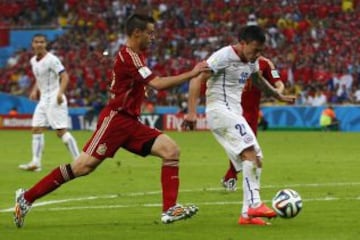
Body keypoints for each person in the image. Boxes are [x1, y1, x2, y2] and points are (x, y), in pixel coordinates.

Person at [13, 14, 209, 228]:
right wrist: (193, 73)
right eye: (150, 32)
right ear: (137, 33)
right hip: (116, 120)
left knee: (171, 150)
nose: (153, 37)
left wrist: (138, 90)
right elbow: (159, 84)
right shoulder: (129, 55)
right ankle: (26, 198)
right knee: (82, 167)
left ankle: (169, 210)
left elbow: (134, 82)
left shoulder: (137, 55)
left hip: (131, 122)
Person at [183, 25, 295, 226]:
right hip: (220, 111)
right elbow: (196, 79)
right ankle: (254, 204)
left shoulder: (251, 60)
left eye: (261, 50)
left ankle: (247, 215)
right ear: (243, 43)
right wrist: (191, 112)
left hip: (234, 113)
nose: (257, 54)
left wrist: (279, 96)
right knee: (250, 153)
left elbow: (258, 80)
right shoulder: (223, 56)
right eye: (255, 49)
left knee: (257, 157)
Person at [220, 57, 284, 193]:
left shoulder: (266, 63)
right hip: (233, 109)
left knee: (248, 146)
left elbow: (278, 82)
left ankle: (231, 177)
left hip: (252, 113)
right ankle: (231, 177)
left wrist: (278, 91)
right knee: (240, 144)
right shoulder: (231, 58)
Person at [18, 33, 80, 172]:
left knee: (60, 131)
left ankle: (79, 161)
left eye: (42, 42)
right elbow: (39, 78)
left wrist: (60, 93)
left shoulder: (52, 59)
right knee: (36, 128)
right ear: (32, 44)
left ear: (46, 44)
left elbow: (65, 76)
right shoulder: (33, 60)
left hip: (54, 97)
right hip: (43, 99)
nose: (39, 44)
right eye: (36, 42)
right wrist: (35, 90)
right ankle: (36, 163)